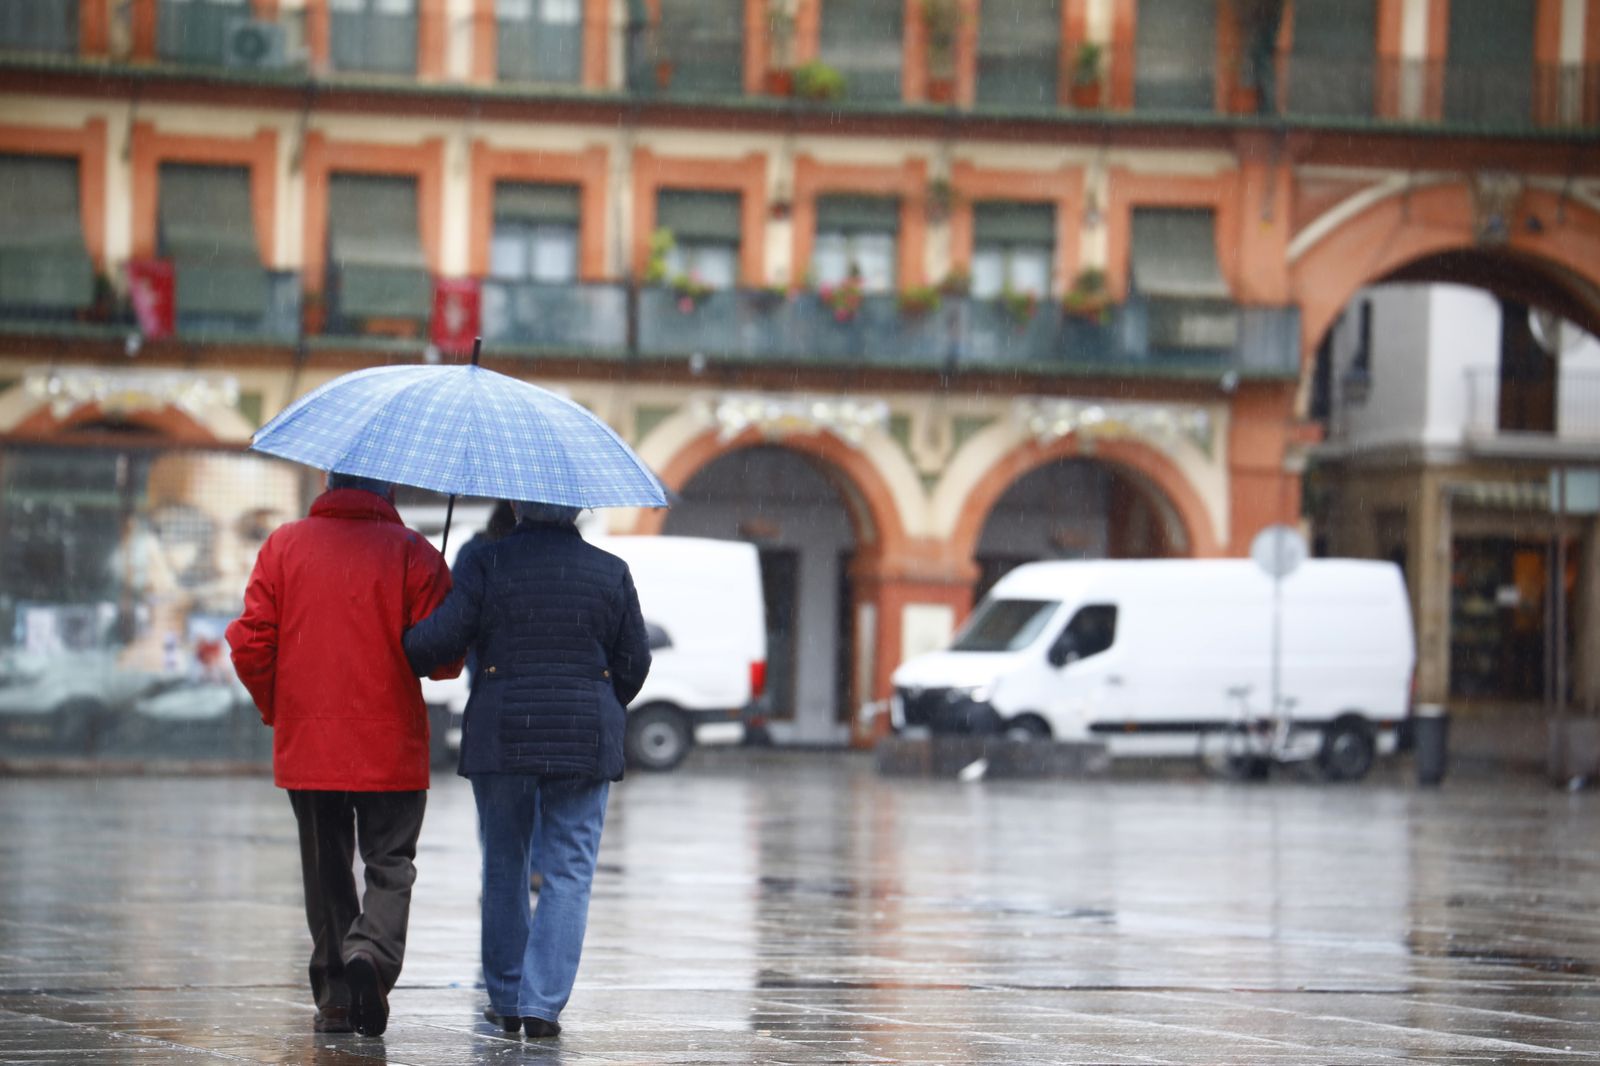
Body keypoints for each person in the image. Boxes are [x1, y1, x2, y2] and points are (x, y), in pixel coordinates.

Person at [403, 500, 650, 1039]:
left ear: (517, 505)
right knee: (569, 869)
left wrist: (413, 630)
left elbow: (438, 646)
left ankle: (509, 996)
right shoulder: (611, 571)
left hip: (504, 730)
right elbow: (636, 661)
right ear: (579, 509)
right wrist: (598, 700)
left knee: (504, 864)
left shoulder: (485, 562)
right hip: (584, 735)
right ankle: (541, 1005)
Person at [225, 472, 459, 1037]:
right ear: (391, 493)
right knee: (391, 863)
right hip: (391, 743)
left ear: (329, 484)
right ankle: (371, 956)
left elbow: (251, 642)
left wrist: (281, 709)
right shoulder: (414, 554)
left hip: (311, 743)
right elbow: (444, 661)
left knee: (326, 866)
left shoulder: (285, 544)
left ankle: (334, 996)